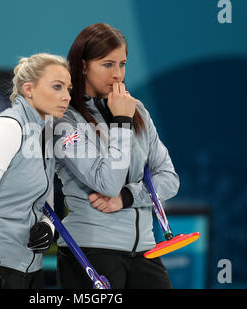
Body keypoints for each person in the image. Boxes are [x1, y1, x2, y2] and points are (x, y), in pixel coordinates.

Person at [53, 23, 180, 289]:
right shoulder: (66, 119)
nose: (118, 75)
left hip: (145, 249)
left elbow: (169, 179)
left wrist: (127, 197)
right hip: (90, 250)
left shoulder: (138, 111)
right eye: (107, 65)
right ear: (84, 66)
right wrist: (121, 121)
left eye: (122, 64)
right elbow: (107, 183)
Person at [0, 53, 72, 289]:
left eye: (68, 89)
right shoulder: (8, 127)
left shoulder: (44, 136)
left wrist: (48, 226)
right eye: (57, 87)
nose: (66, 97)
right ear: (29, 89)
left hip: (28, 269)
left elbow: (43, 196)